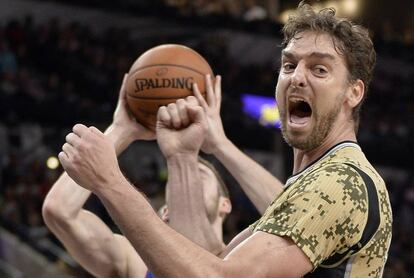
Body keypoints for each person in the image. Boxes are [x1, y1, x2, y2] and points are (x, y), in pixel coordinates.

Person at [57, 2, 392, 277]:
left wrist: (110, 182)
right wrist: (183, 157)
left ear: (353, 92)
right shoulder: (317, 181)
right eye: (289, 66)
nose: (297, 78)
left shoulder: (340, 181)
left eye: (320, 69)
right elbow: (210, 259)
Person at [42, 75, 232, 277]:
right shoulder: (137, 260)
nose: (188, 177)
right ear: (166, 211)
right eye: (178, 178)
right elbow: (60, 211)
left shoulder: (245, 257)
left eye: (200, 175)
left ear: (225, 204)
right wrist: (123, 130)